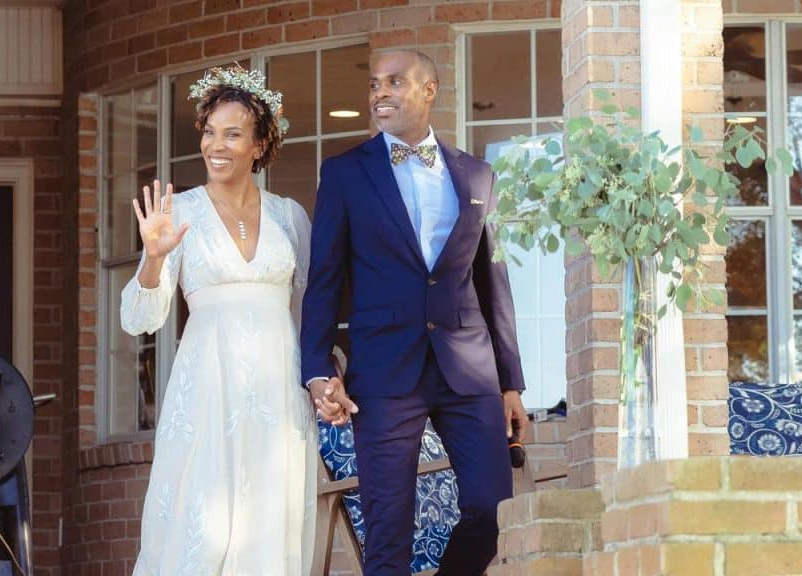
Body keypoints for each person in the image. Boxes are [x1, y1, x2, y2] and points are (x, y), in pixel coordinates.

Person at [300, 49, 530, 575]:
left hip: (468, 371)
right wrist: (316, 368)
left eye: (394, 81)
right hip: (383, 374)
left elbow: (492, 284)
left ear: (429, 90)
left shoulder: (477, 176)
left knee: (492, 510)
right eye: (374, 83)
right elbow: (325, 281)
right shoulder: (344, 174)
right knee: (387, 532)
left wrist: (510, 383)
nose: (379, 92)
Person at [122, 65, 317, 576]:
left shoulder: (290, 217)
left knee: (270, 524)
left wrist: (321, 379)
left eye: (232, 134)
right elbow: (140, 319)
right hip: (208, 391)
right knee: (201, 524)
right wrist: (154, 257)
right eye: (210, 132)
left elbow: (312, 310)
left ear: (260, 144)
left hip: (278, 395)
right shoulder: (177, 212)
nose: (217, 145)